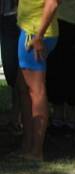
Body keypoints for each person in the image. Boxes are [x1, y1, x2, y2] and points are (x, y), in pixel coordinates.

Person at [16, 0, 59, 160]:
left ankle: (36, 151)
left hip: (35, 34)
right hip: (30, 30)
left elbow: (52, 3)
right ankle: (28, 145)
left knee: (36, 91)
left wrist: (39, 37)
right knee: (24, 88)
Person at [46, 0, 75, 133]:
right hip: (70, 20)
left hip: (66, 21)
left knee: (66, 70)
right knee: (66, 70)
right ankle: (66, 119)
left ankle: (63, 118)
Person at [1, 0, 20, 132]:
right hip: (5, 18)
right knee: (10, 71)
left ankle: (18, 117)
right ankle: (15, 116)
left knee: (16, 72)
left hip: (14, 18)